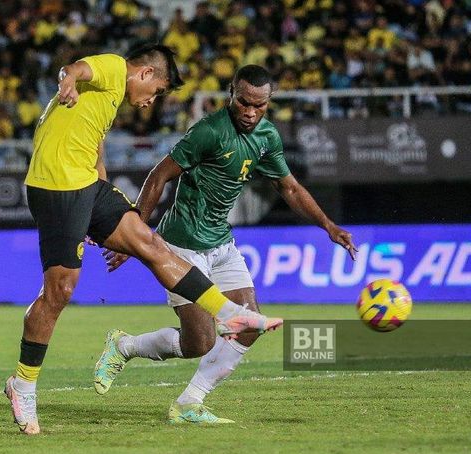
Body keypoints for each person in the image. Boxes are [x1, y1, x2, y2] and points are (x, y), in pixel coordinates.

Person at [4, 45, 283, 435]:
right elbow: (77, 68)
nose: (151, 101)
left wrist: (99, 200)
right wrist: (68, 79)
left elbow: (94, 142)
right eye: (157, 91)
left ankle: (228, 313)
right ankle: (23, 383)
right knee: (59, 291)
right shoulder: (114, 69)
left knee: (151, 244)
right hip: (56, 188)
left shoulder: (108, 100)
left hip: (87, 187)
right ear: (146, 73)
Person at [93, 65, 357, 423]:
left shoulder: (266, 136)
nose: (250, 112)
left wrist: (327, 225)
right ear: (232, 93)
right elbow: (160, 175)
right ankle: (124, 346)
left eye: (259, 106)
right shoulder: (209, 131)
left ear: (269, 102)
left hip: (221, 242)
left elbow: (290, 188)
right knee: (198, 342)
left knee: (249, 325)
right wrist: (134, 233)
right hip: (182, 246)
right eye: (244, 102)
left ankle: (189, 403)